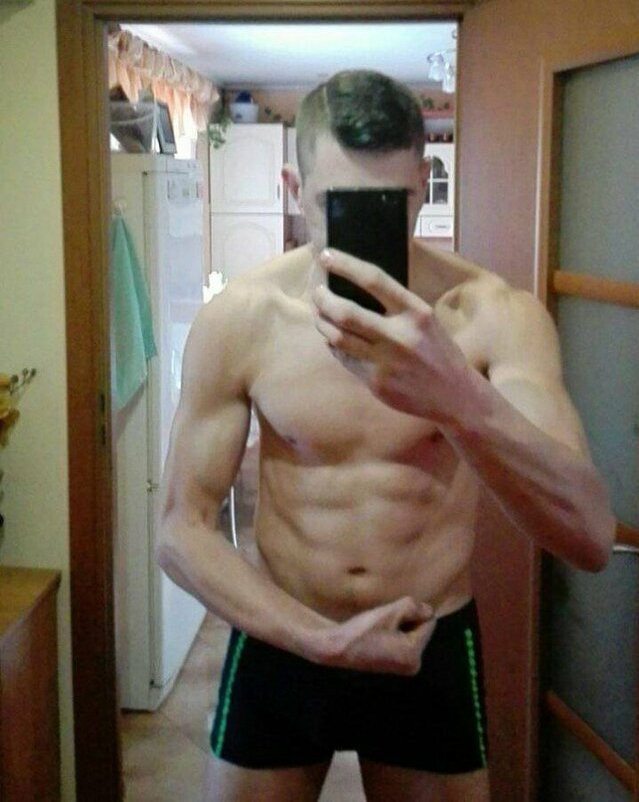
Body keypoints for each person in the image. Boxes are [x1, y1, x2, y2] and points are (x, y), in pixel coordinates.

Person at [157, 70, 615, 802]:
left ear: (425, 185)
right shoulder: (243, 319)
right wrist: (322, 641)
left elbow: (588, 534)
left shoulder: (492, 316)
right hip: (283, 635)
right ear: (293, 188)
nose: (363, 234)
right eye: (338, 205)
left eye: (388, 204)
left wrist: (456, 395)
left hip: (424, 642)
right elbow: (180, 530)